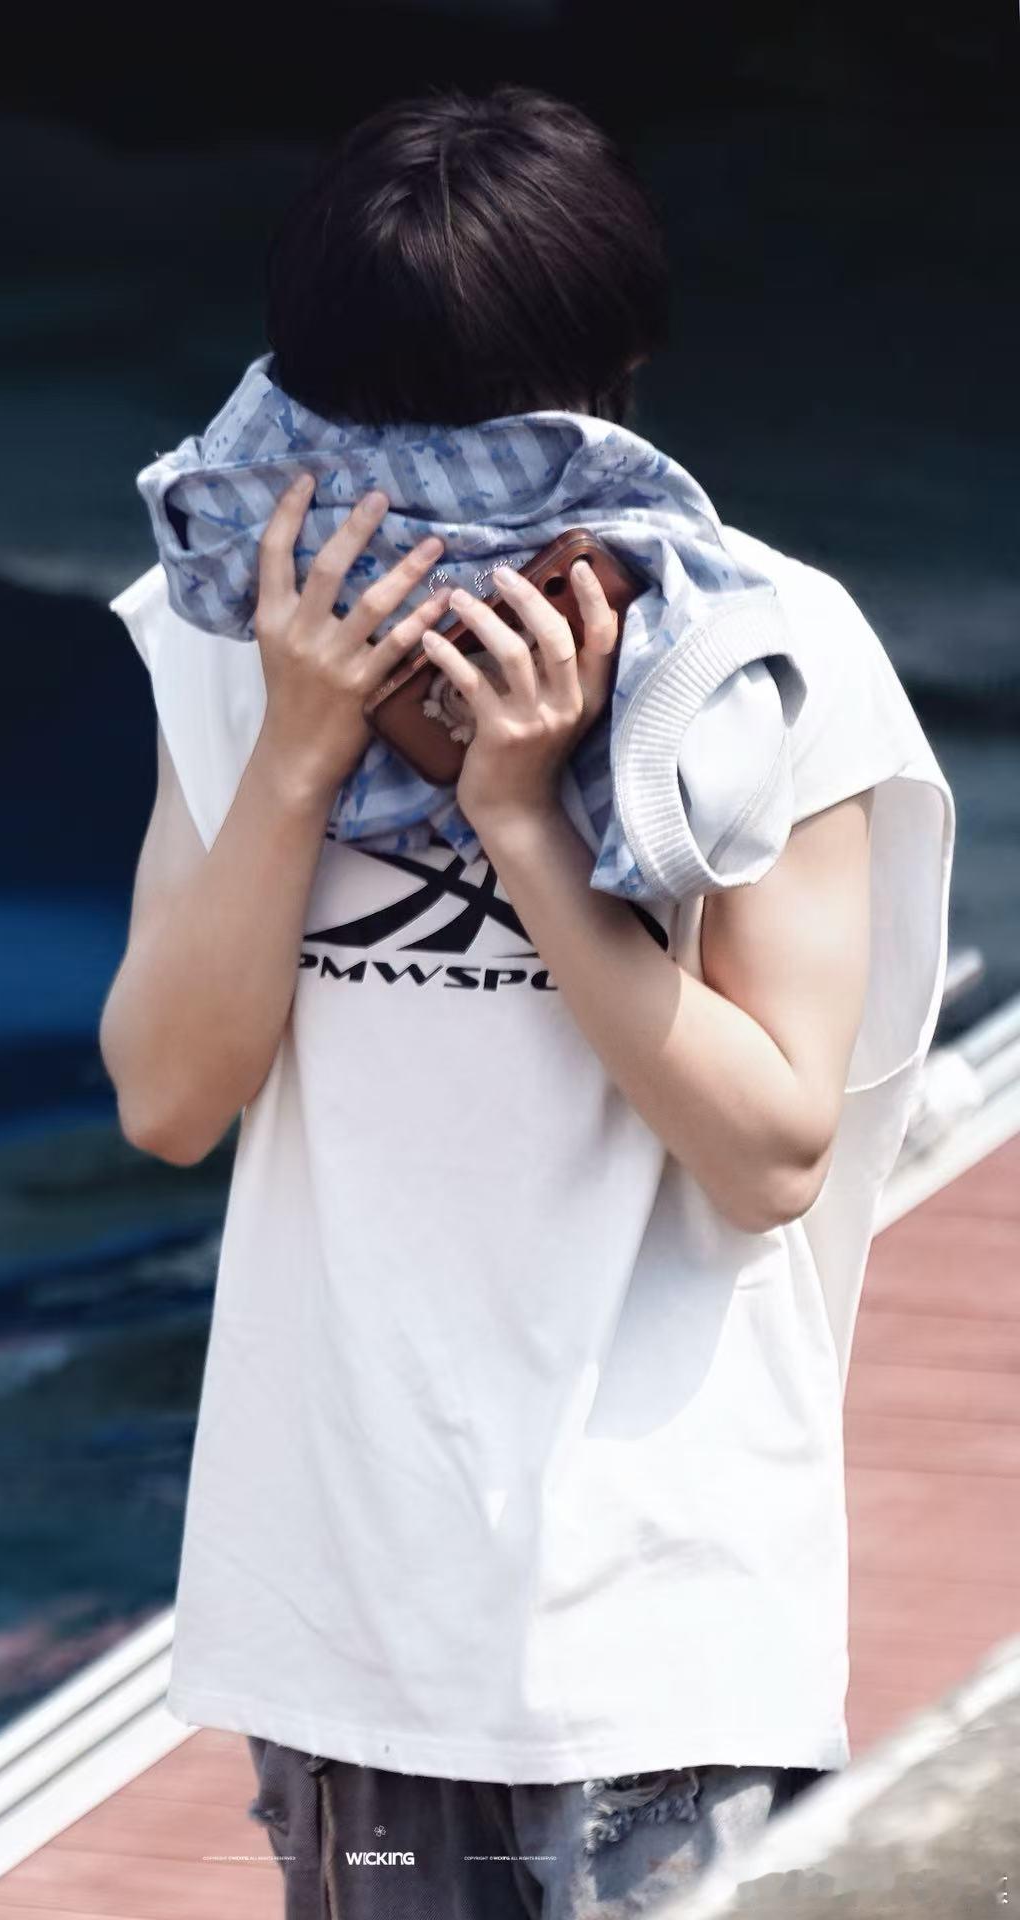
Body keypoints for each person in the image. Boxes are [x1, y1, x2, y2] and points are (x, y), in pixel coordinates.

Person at [98, 84, 954, 1920]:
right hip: (345, 1626)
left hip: (660, 1638)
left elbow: (770, 1149)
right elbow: (168, 1099)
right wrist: (299, 752)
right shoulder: (226, 652)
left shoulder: (761, 658)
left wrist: (524, 824)